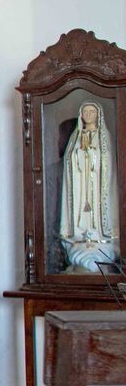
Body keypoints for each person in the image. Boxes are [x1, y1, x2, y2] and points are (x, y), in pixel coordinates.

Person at [60, 100, 119, 271]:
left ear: (98, 115)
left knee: (98, 211)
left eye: (91, 112)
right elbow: (69, 161)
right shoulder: (76, 136)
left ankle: (99, 239)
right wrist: (80, 153)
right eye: (85, 112)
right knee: (80, 211)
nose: (88, 115)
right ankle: (81, 238)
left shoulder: (104, 136)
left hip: (97, 187)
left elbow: (107, 160)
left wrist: (93, 154)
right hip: (81, 186)